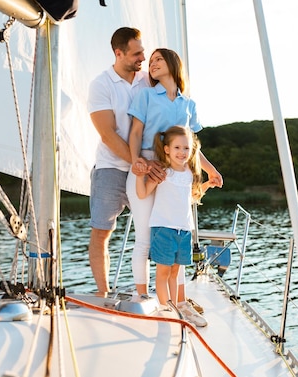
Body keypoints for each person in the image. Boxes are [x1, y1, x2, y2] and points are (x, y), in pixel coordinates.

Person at [126, 48, 223, 308]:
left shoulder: (188, 104)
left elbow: (191, 146)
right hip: (147, 166)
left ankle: (178, 301)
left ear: (172, 64)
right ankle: (142, 296)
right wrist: (138, 161)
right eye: (151, 60)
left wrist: (210, 170)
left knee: (177, 232)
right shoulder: (145, 95)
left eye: (158, 59)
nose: (152, 63)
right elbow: (135, 133)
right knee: (146, 236)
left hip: (177, 170)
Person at [86, 27, 151, 296]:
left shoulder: (149, 80)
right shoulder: (101, 84)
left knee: (153, 232)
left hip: (146, 167)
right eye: (137, 53)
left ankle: (152, 291)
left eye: (143, 51)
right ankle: (102, 293)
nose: (143, 58)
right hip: (111, 168)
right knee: (101, 232)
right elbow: (107, 134)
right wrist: (137, 162)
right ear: (119, 53)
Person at [133, 125, 217, 326]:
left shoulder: (189, 173)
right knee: (163, 273)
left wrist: (207, 184)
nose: (182, 152)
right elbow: (142, 194)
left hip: (184, 230)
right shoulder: (163, 172)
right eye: (177, 148)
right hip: (163, 229)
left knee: (175, 272)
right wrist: (138, 176)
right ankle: (165, 310)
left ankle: (178, 305)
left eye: (186, 148)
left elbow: (192, 197)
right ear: (167, 149)